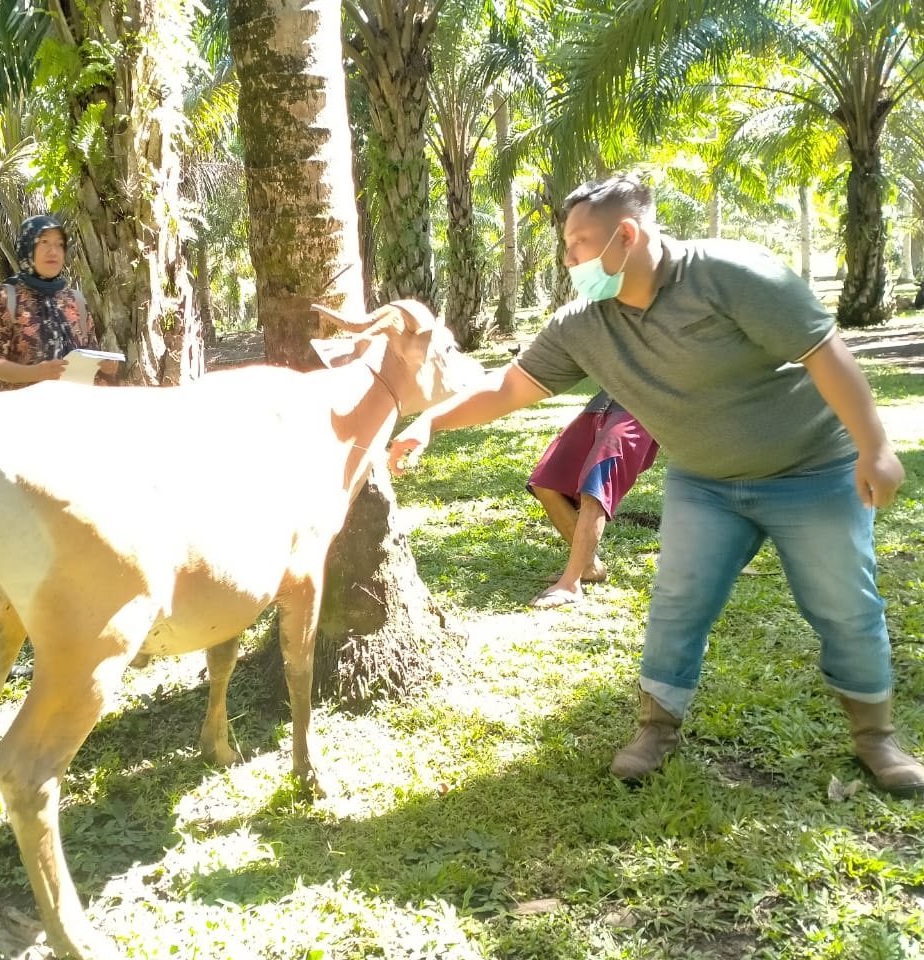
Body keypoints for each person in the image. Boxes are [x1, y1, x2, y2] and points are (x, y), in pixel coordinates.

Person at [388, 173, 924, 796]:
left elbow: (824, 352)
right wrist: (430, 421)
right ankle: (656, 728)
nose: (568, 259)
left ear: (627, 234)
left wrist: (876, 447)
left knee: (846, 606)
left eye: (578, 243)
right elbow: (510, 388)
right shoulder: (583, 322)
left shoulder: (733, 274)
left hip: (811, 471)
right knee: (677, 603)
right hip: (706, 483)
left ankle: (875, 739)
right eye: (565, 244)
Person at [527, 390, 658, 608]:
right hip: (603, 401)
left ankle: (570, 585)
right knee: (545, 482)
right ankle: (589, 566)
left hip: (641, 407)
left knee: (595, 487)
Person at [0, 214, 107, 389]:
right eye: (44, 242)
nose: (53, 251)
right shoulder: (4, 298)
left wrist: (104, 365)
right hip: (24, 410)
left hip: (75, 407)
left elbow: (90, 352)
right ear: (27, 247)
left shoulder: (75, 300)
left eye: (59, 244)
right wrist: (37, 372)